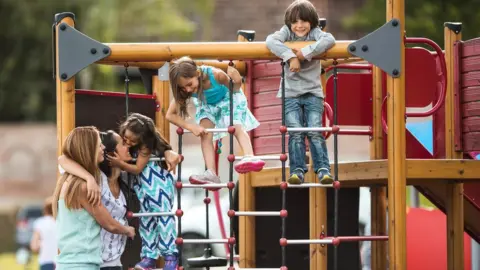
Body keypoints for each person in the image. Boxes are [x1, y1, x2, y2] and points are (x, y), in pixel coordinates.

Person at [266, 0, 336, 185]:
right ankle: (297, 170)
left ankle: (323, 169)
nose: (299, 26)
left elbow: (330, 40)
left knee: (314, 130)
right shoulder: (286, 33)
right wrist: (290, 57)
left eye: (304, 21)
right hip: (290, 93)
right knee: (296, 132)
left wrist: (304, 53)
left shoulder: (315, 33)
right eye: (295, 22)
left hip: (313, 91)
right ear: (289, 23)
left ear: (311, 22)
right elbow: (270, 41)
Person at [166, 57, 265, 184]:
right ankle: (211, 173)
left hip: (227, 98)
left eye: (190, 84)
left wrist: (238, 79)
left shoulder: (217, 75)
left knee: (234, 125)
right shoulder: (185, 89)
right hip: (207, 104)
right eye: (184, 88)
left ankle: (250, 156)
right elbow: (170, 115)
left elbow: (234, 88)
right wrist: (191, 127)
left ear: (197, 73)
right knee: (205, 133)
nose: (188, 90)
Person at [52, 126, 135, 270]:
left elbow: (63, 160)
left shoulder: (71, 180)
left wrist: (88, 177)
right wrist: (128, 230)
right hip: (82, 265)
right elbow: (109, 224)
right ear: (88, 149)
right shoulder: (83, 187)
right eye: (98, 145)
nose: (102, 147)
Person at [107, 113, 181, 270]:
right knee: (146, 222)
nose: (128, 142)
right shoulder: (131, 144)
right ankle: (149, 256)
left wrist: (119, 163)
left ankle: (170, 255)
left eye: (132, 140)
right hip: (143, 189)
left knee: (163, 218)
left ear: (143, 139)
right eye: (125, 137)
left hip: (158, 186)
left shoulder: (146, 147)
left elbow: (137, 168)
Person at [30, 197, 57, 270]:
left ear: (45, 209)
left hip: (45, 261)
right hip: (61, 261)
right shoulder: (62, 222)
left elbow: (34, 246)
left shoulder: (40, 223)